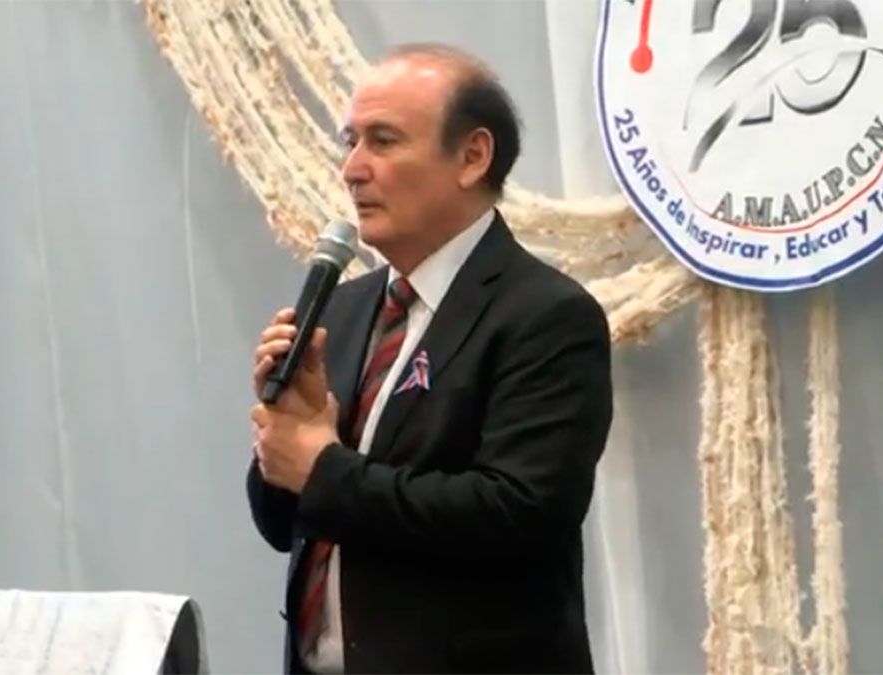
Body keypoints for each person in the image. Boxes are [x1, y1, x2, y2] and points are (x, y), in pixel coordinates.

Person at [246, 42, 613, 674]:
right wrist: (287, 434)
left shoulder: (546, 316)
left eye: (383, 142)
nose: (352, 169)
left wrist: (323, 468)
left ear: (472, 157)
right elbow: (285, 527)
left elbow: (515, 516)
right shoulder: (344, 307)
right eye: (351, 142)